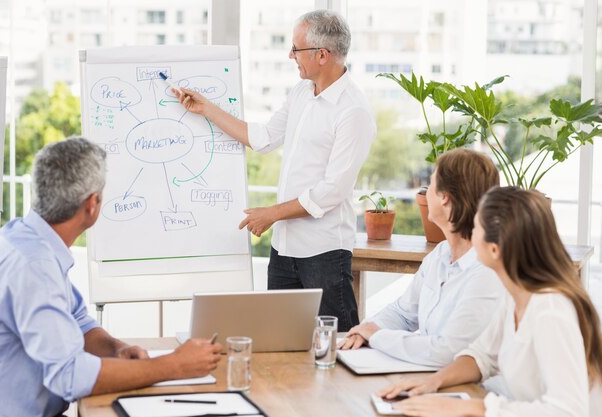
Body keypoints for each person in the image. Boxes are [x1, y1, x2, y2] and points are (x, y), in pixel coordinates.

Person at [0, 137, 222, 417]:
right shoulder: (33, 265)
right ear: (92, 204)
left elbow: (78, 321)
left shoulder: (27, 238)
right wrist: (174, 366)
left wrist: (117, 349)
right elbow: (69, 377)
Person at [173, 10, 376, 331]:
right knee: (282, 344)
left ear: (322, 55)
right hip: (284, 250)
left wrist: (272, 214)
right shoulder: (301, 93)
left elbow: (332, 191)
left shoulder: (353, 111)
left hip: (324, 252)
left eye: (296, 49)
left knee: (339, 346)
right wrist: (206, 109)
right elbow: (263, 138)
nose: (290, 55)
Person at [379, 186, 602, 417]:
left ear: (494, 249)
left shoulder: (550, 310)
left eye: (476, 227)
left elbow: (569, 411)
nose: (469, 233)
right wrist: (432, 383)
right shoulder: (516, 296)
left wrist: (474, 408)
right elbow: (482, 357)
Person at [340, 148, 503, 367]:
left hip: (474, 391)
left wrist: (377, 336)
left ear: (444, 198)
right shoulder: (440, 255)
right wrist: (366, 330)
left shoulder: (487, 270)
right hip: (429, 376)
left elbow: (446, 352)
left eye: (430, 185)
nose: (423, 192)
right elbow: (403, 313)